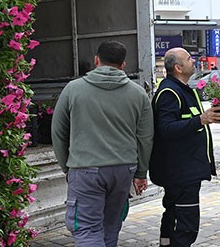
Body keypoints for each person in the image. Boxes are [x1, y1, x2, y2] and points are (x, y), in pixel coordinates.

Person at [52, 40, 154, 246]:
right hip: (123, 169)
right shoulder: (138, 94)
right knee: (110, 227)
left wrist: (67, 167)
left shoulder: (73, 89)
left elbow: (58, 132)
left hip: (85, 169)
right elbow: (145, 137)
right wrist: (141, 173)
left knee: (87, 230)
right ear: (123, 65)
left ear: (96, 60)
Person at [150, 47, 220, 247]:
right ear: (178, 68)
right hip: (180, 172)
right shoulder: (169, 92)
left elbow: (190, 122)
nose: (193, 60)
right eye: (188, 58)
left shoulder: (185, 90)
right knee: (185, 225)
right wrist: (201, 120)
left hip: (186, 170)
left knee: (174, 215)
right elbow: (166, 129)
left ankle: (165, 244)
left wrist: (212, 115)